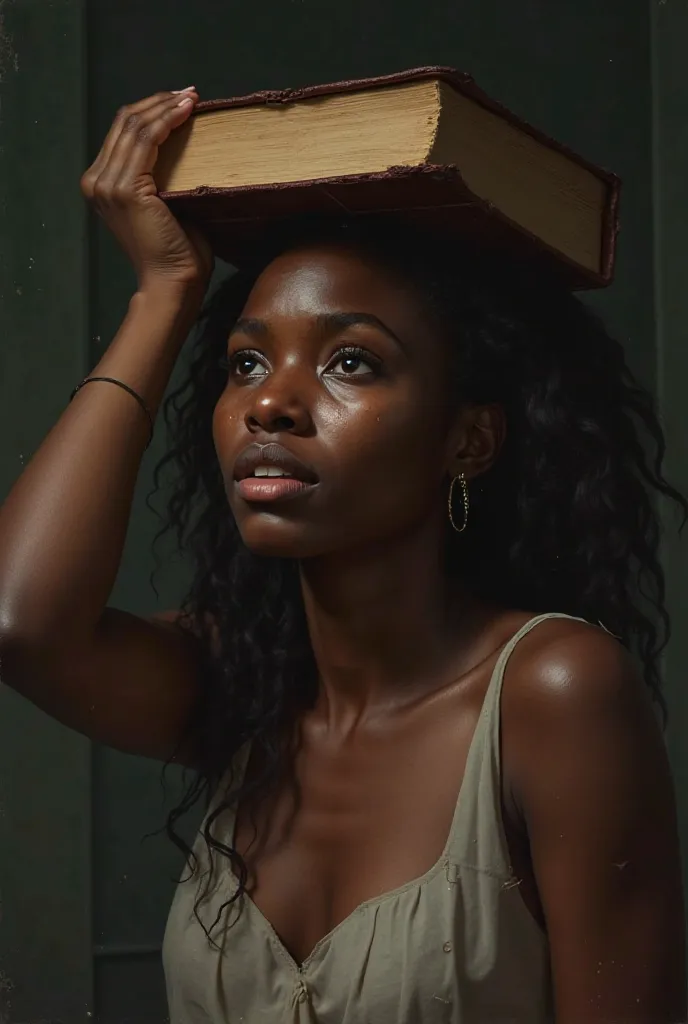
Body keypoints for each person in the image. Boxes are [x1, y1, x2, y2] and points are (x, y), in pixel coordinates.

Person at [0, 87, 685, 1024]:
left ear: (469, 440)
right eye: (246, 362)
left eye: (351, 361)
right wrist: (164, 295)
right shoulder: (242, 685)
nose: (270, 405)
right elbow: (22, 622)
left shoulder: (552, 693)